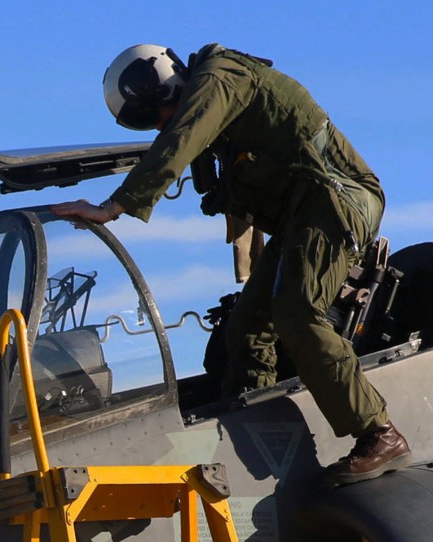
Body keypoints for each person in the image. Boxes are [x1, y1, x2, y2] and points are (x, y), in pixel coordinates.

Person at [53, 44, 411, 482]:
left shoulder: (220, 78)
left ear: (166, 89)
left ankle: (379, 433)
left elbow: (182, 135)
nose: (161, 126)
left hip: (336, 200)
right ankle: (254, 429)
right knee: (246, 330)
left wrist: (114, 207)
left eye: (158, 115)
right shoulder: (215, 103)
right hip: (302, 216)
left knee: (298, 314)